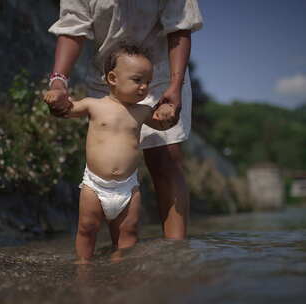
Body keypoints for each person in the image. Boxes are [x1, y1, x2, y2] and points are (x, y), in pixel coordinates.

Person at [44, 0, 203, 239]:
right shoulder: (94, 103)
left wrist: (175, 86)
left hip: (158, 73)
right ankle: (111, 256)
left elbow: (180, 26)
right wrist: (59, 84)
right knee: (108, 152)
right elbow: (72, 27)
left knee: (166, 157)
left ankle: (175, 252)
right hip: (109, 74)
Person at [44, 43, 174, 263]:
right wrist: (57, 99)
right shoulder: (93, 105)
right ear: (113, 78)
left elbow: (163, 124)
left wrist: (167, 112)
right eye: (137, 80)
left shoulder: (143, 111)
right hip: (95, 184)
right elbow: (65, 110)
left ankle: (120, 270)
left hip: (128, 186)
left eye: (148, 82)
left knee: (128, 231)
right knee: (87, 228)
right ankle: (83, 266)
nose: (144, 87)